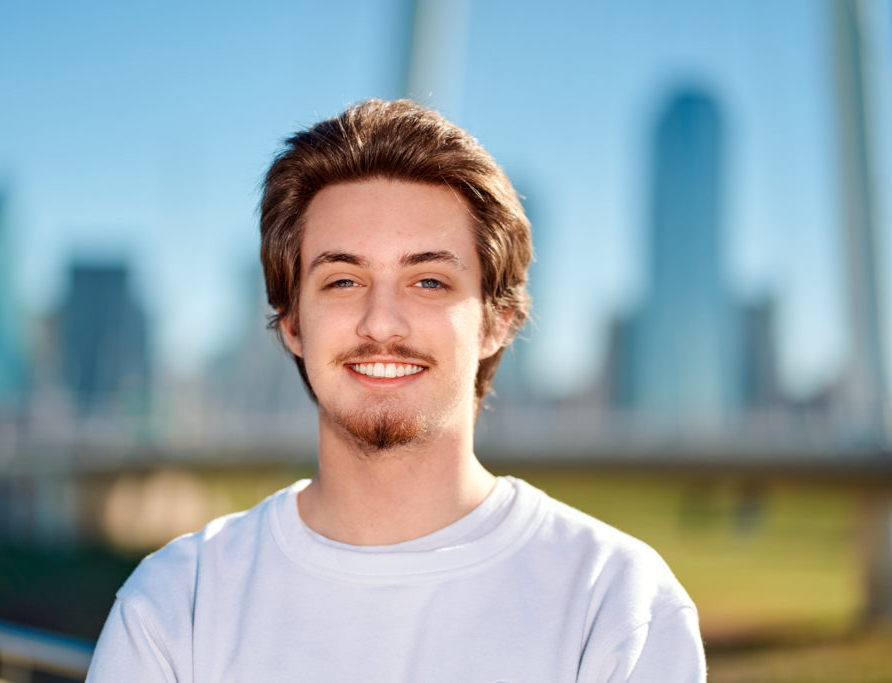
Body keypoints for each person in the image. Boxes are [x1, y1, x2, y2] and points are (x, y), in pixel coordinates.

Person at [87, 98, 707, 682]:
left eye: (429, 282)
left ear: (498, 320)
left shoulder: (617, 603)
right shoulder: (176, 602)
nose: (381, 323)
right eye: (343, 281)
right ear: (293, 322)